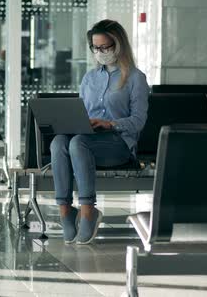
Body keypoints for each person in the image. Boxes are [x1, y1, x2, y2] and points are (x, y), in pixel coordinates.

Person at [50, 19, 149, 245]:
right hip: (88, 138)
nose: (101, 52)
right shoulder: (89, 78)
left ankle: (88, 211)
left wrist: (110, 124)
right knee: (58, 142)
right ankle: (65, 211)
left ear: (118, 45)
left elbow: (139, 120)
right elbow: (81, 113)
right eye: (96, 48)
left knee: (77, 144)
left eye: (106, 47)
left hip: (118, 144)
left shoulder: (135, 78)